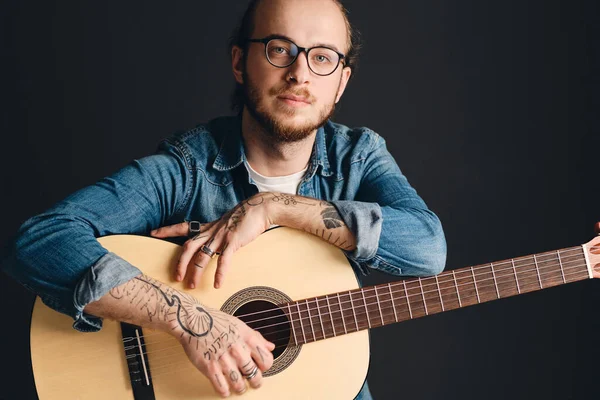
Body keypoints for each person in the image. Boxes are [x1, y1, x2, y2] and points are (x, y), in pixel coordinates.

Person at [3, 0, 446, 398]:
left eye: (323, 57)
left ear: (341, 82)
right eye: (279, 48)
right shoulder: (186, 167)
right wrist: (188, 320)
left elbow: (427, 250)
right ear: (240, 62)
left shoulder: (359, 158)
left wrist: (276, 208)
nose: (300, 73)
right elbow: (41, 240)